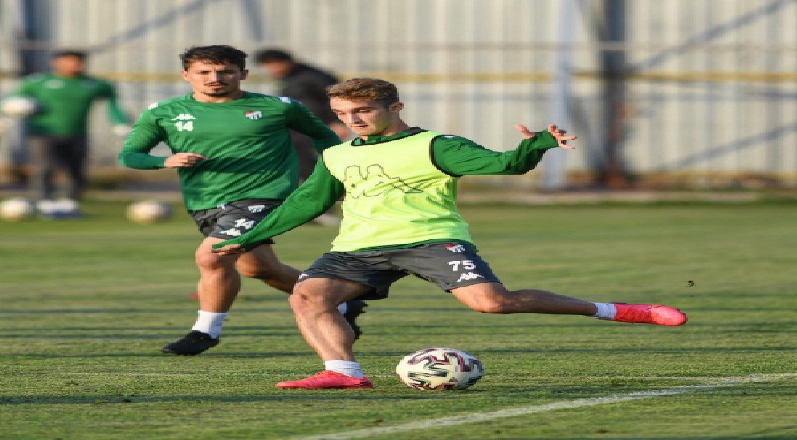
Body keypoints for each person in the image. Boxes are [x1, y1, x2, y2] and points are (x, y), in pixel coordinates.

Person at [212, 77, 688, 389]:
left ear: (395, 107)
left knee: (493, 304)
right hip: (358, 246)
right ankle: (343, 371)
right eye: (343, 112)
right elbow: (308, 202)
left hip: (431, 239)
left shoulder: (435, 145)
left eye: (363, 110)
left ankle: (618, 310)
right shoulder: (338, 154)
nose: (353, 119)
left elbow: (504, 165)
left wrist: (538, 145)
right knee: (307, 295)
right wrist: (250, 236)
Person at [117, 45, 367, 356]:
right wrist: (163, 161)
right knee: (260, 269)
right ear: (186, 75)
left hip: (263, 195)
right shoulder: (163, 112)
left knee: (212, 256)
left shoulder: (278, 107)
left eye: (225, 71)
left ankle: (205, 331)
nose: (215, 78)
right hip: (204, 200)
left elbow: (325, 138)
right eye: (204, 72)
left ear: (243, 74)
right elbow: (130, 155)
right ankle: (341, 302)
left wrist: (340, 176)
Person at [0, 50, 131, 218]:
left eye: (78, 62)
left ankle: (70, 204)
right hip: (43, 134)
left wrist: (121, 123)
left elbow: (113, 104)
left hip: (77, 133)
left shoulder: (95, 84)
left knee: (75, 170)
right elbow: (4, 102)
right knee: (44, 168)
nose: (74, 65)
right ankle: (45, 203)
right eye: (69, 61)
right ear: (56, 63)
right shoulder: (38, 83)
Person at [255, 48, 348, 226]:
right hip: (297, 129)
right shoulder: (288, 78)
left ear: (286, 61)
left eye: (273, 65)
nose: (272, 70)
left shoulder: (315, 77)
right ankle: (315, 208)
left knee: (318, 167)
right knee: (302, 166)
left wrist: (337, 121)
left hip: (317, 127)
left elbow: (338, 99)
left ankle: (326, 207)